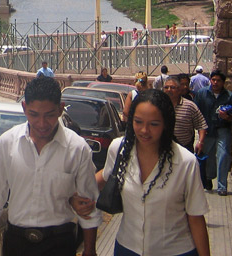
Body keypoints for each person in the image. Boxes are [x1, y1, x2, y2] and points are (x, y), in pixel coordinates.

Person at [0, 76, 101, 256]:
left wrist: (90, 251)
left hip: (59, 244)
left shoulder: (78, 149)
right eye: (34, 115)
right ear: (25, 108)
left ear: (60, 109)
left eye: (49, 115)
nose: (42, 124)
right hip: (16, 244)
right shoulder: (7, 144)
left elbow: (88, 208)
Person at [85, 89, 210, 256]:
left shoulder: (186, 162)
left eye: (154, 124)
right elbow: (105, 177)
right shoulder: (119, 149)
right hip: (127, 248)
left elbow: (195, 217)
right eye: (138, 122)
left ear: (166, 124)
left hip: (175, 251)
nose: (144, 130)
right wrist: (75, 192)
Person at [195, 70, 232, 196]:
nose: (215, 83)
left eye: (218, 80)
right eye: (213, 80)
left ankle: (222, 186)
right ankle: (208, 179)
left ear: (223, 82)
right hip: (207, 130)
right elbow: (196, 112)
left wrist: (226, 116)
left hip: (222, 129)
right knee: (208, 157)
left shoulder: (229, 96)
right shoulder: (202, 94)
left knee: (223, 155)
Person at [163, 76, 207, 154]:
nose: (169, 90)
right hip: (164, 148)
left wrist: (201, 142)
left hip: (185, 148)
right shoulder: (158, 106)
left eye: (172, 87)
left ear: (179, 90)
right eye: (166, 87)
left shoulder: (189, 106)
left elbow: (202, 125)